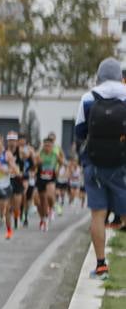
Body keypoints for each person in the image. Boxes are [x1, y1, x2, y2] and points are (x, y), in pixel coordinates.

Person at [74, 57, 126, 278]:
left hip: (94, 165)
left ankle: (101, 265)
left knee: (98, 214)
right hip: (122, 165)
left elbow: (79, 132)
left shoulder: (88, 98)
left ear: (99, 76)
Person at [34, 136, 62, 231]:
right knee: (39, 201)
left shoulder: (55, 155)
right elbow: (34, 163)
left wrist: (57, 169)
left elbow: (61, 162)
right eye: (45, 145)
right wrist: (38, 161)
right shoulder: (40, 154)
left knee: (49, 195)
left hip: (51, 178)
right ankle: (43, 219)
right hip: (40, 178)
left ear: (52, 146)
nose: (47, 148)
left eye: (49, 146)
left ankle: (51, 209)